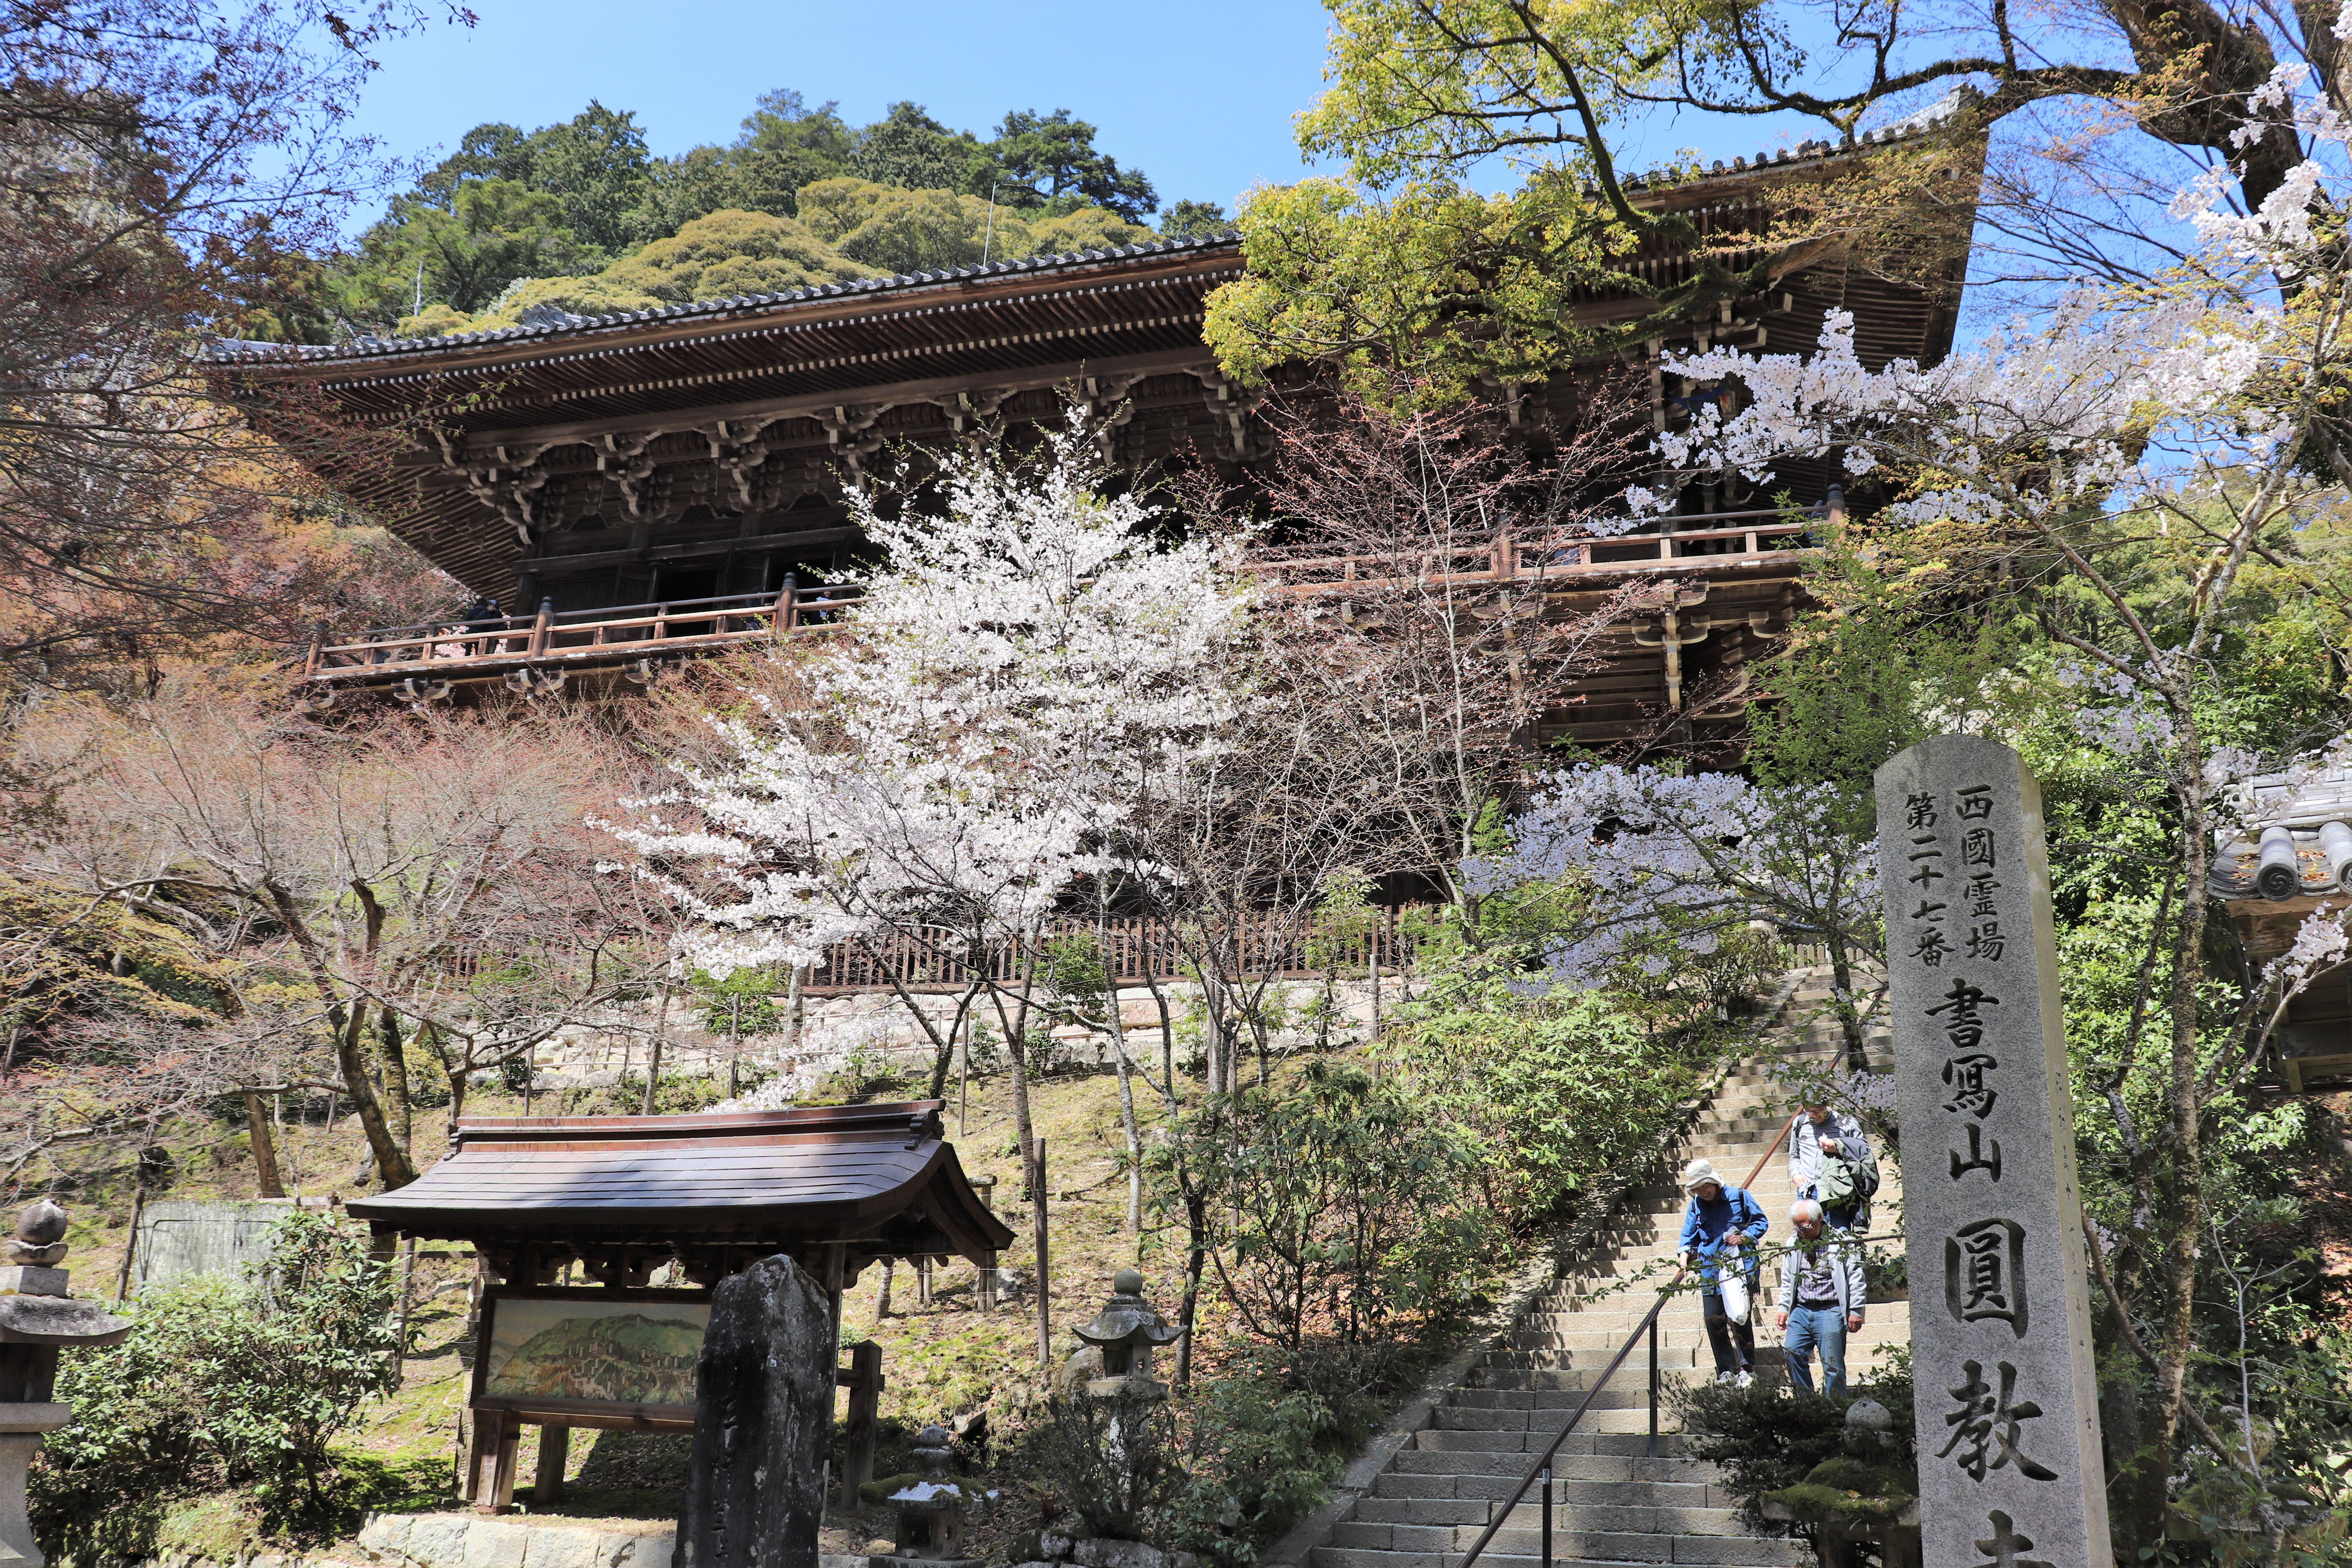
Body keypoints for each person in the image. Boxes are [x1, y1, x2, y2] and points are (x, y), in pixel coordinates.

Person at [1674, 1157, 1768, 1387]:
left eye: (1704, 1186)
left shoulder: (1739, 1196)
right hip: (1710, 1268)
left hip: (1738, 1266)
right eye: (1696, 1188)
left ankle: (1747, 1368)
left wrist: (1744, 1236)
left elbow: (1761, 1222)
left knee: (1739, 1316)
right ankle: (1726, 1369)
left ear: (1713, 1182)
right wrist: (1684, 1255)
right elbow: (1689, 1235)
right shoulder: (1696, 1205)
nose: (1701, 1191)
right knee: (1713, 1319)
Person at [1775, 1198, 1866, 1396]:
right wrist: (1783, 1308)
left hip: (1830, 1309)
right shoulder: (1794, 1243)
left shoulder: (1841, 1242)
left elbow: (1856, 1279)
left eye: (1806, 1226)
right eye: (1797, 1227)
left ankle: (1835, 1409)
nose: (1802, 1231)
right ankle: (1808, 1405)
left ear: (1821, 1219)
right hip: (1802, 1308)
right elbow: (1788, 1280)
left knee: (1833, 1366)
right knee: (1792, 1353)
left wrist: (1856, 1311)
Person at [1787, 1099, 1875, 1231]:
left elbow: (1864, 1153)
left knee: (1840, 1235)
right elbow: (1794, 1156)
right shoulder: (1800, 1122)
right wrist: (1795, 1174)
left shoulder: (1846, 1122)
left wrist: (1838, 1147)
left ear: (1827, 1104)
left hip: (1837, 1189)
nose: (1815, 1115)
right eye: (1809, 1112)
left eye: (1818, 1111)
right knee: (1807, 1235)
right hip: (1808, 1189)